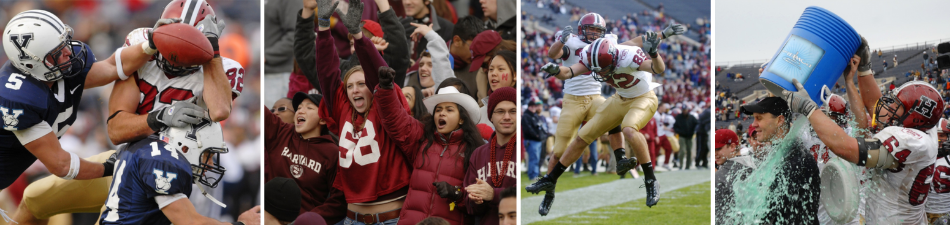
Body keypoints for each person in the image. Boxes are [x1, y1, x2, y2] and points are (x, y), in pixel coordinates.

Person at [11, 2, 248, 223]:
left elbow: (219, 110)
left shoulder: (223, 68)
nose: (176, 59)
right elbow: (116, 129)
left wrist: (212, 53)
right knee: (35, 196)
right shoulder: (143, 47)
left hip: (183, 169)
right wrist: (159, 117)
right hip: (131, 159)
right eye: (173, 44)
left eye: (187, 50)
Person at [785, 41, 941, 224]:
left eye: (896, 106)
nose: (887, 106)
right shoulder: (923, 128)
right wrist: (864, 69)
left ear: (914, 118)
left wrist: (809, 109)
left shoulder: (911, 141)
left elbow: (847, 148)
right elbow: (877, 106)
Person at [528, 29, 669, 215]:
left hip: (643, 98)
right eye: (597, 69)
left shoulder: (628, 55)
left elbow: (658, 69)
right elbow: (569, 72)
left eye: (603, 68)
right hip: (619, 99)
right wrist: (556, 70)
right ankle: (551, 179)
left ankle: (650, 180)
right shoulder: (591, 55)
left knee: (628, 129)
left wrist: (654, 53)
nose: (600, 73)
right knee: (582, 137)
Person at [297, 0, 413, 223]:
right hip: (352, 219)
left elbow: (377, 71)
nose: (355, 90)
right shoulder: (342, 107)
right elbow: (326, 72)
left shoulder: (386, 105)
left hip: (390, 218)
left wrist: (359, 36)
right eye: (349, 86)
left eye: (361, 85)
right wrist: (322, 26)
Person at [376, 67, 485, 225]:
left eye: (449, 110)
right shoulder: (421, 138)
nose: (441, 113)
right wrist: (386, 90)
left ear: (462, 119)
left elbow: (478, 203)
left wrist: (456, 193)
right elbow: (396, 119)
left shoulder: (474, 149)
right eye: (438, 109)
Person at [97, 119, 259, 225]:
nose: (210, 165)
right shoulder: (164, 162)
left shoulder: (151, 148)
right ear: (186, 146)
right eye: (207, 155)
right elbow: (188, 221)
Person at [544, 13, 631, 179]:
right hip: (572, 100)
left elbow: (629, 46)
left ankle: (621, 159)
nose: (594, 33)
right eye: (591, 28)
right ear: (581, 29)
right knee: (559, 151)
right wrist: (561, 40)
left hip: (594, 97)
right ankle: (548, 186)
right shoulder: (571, 41)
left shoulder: (605, 42)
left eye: (598, 30)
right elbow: (553, 55)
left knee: (614, 116)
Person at [733, 97, 819, 224]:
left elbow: (778, 214)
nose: (753, 124)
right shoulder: (780, 152)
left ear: (780, 120)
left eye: (759, 118)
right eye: (754, 118)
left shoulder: (797, 159)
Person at [264, 92, 346, 224]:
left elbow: (339, 201)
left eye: (309, 107)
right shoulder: (281, 133)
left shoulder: (332, 153)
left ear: (323, 119)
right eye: (299, 108)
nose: (301, 111)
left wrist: (307, 220)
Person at [465, 87, 517, 225]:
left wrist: (493, 194)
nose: (507, 117)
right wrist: (476, 200)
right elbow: (469, 208)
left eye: (513, 111)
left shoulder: (523, 148)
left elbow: (527, 195)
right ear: (491, 117)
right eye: (500, 111)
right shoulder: (478, 153)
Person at [713, 129, 753, 222]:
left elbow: (718, 217)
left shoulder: (720, 176)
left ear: (732, 147)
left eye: (718, 149)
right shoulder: (754, 163)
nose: (714, 153)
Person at [448, 16, 486, 98]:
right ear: (457, 41)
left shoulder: (481, 67)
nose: (477, 53)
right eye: (473, 47)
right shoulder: (431, 60)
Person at [522, 99, 545, 181]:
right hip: (531, 140)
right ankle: (532, 175)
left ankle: (535, 174)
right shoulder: (526, 116)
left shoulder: (534, 115)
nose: (533, 108)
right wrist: (536, 135)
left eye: (534, 106)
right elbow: (528, 129)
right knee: (533, 158)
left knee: (536, 158)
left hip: (537, 140)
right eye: (531, 106)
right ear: (528, 107)